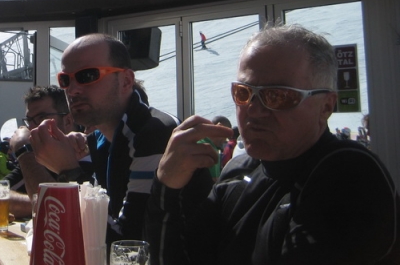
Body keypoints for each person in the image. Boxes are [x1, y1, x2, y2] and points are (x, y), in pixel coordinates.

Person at [147, 24, 399, 264]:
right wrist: (166, 185)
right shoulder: (238, 172)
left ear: (325, 106)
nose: (254, 110)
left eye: (278, 95)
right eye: (243, 93)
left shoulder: (349, 174)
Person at [30, 33, 212, 244]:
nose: (72, 90)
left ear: (126, 81)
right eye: (65, 80)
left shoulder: (154, 134)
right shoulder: (102, 140)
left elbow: (126, 246)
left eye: (87, 75)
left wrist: (68, 172)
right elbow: (109, 219)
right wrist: (76, 162)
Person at [4, 85, 90, 218]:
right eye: (29, 121)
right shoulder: (38, 157)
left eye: (41, 118)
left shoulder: (90, 151)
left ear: (68, 121)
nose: (32, 128)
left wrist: (23, 150)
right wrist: (35, 202)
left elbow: (70, 216)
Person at [197, 115, 231, 181]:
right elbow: (214, 183)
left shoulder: (197, 142)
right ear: (220, 127)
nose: (225, 140)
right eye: (226, 135)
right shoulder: (211, 152)